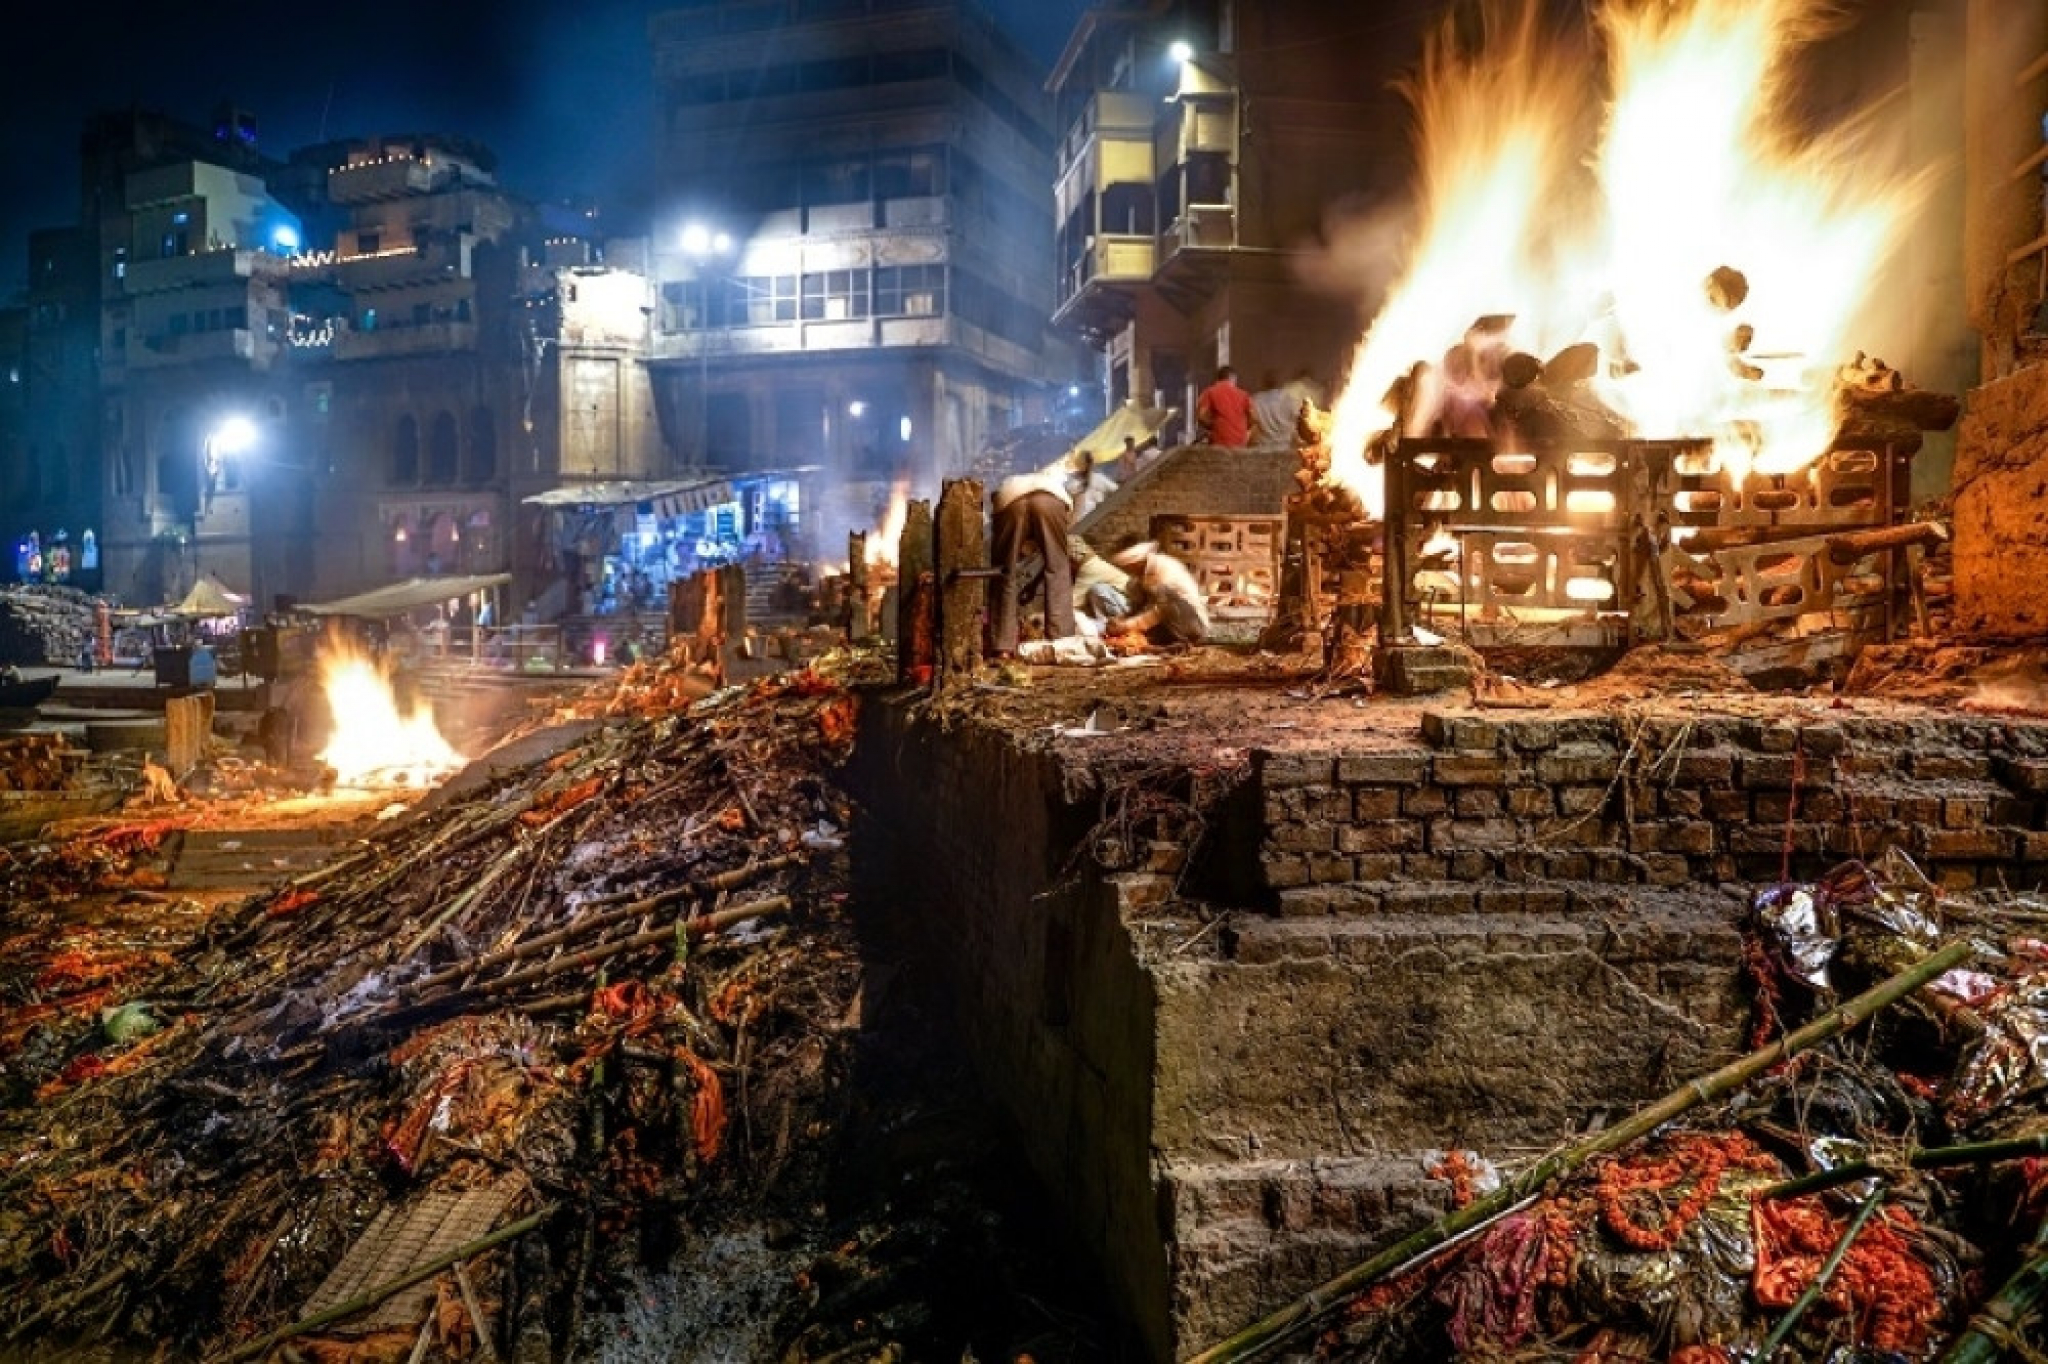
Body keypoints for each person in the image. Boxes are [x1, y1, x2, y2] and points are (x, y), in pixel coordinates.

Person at [989, 468, 1076, 655]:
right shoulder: (1057, 490)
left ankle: (1002, 646)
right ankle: (1062, 641)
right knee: (1058, 568)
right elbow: (1050, 563)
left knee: (1003, 572)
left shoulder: (1008, 483)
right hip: (1051, 499)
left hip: (1009, 500)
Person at [1108, 541, 1210, 646]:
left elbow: (1161, 610)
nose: (1127, 569)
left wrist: (1127, 626)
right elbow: (1138, 608)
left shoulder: (1166, 568)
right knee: (1134, 587)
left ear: (1137, 562)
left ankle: (1185, 642)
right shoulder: (1138, 580)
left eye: (1128, 566)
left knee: (1164, 593)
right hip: (1166, 626)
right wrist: (1122, 619)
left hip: (1191, 623)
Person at [1068, 535, 1132, 624]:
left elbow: (1071, 604)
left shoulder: (1089, 568)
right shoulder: (1092, 564)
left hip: (1129, 609)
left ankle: (1117, 623)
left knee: (1098, 589)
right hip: (1125, 603)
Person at [1195, 365, 1254, 447]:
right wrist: (1243, 428)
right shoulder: (1244, 394)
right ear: (1233, 378)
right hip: (1240, 442)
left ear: (1218, 379)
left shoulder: (1210, 392)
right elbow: (1253, 417)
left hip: (1219, 441)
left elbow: (1201, 416)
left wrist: (1212, 426)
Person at [1069, 450, 1118, 521]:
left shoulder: (1072, 483)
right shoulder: (1099, 478)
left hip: (1081, 521)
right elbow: (1117, 490)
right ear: (1092, 463)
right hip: (1097, 519)